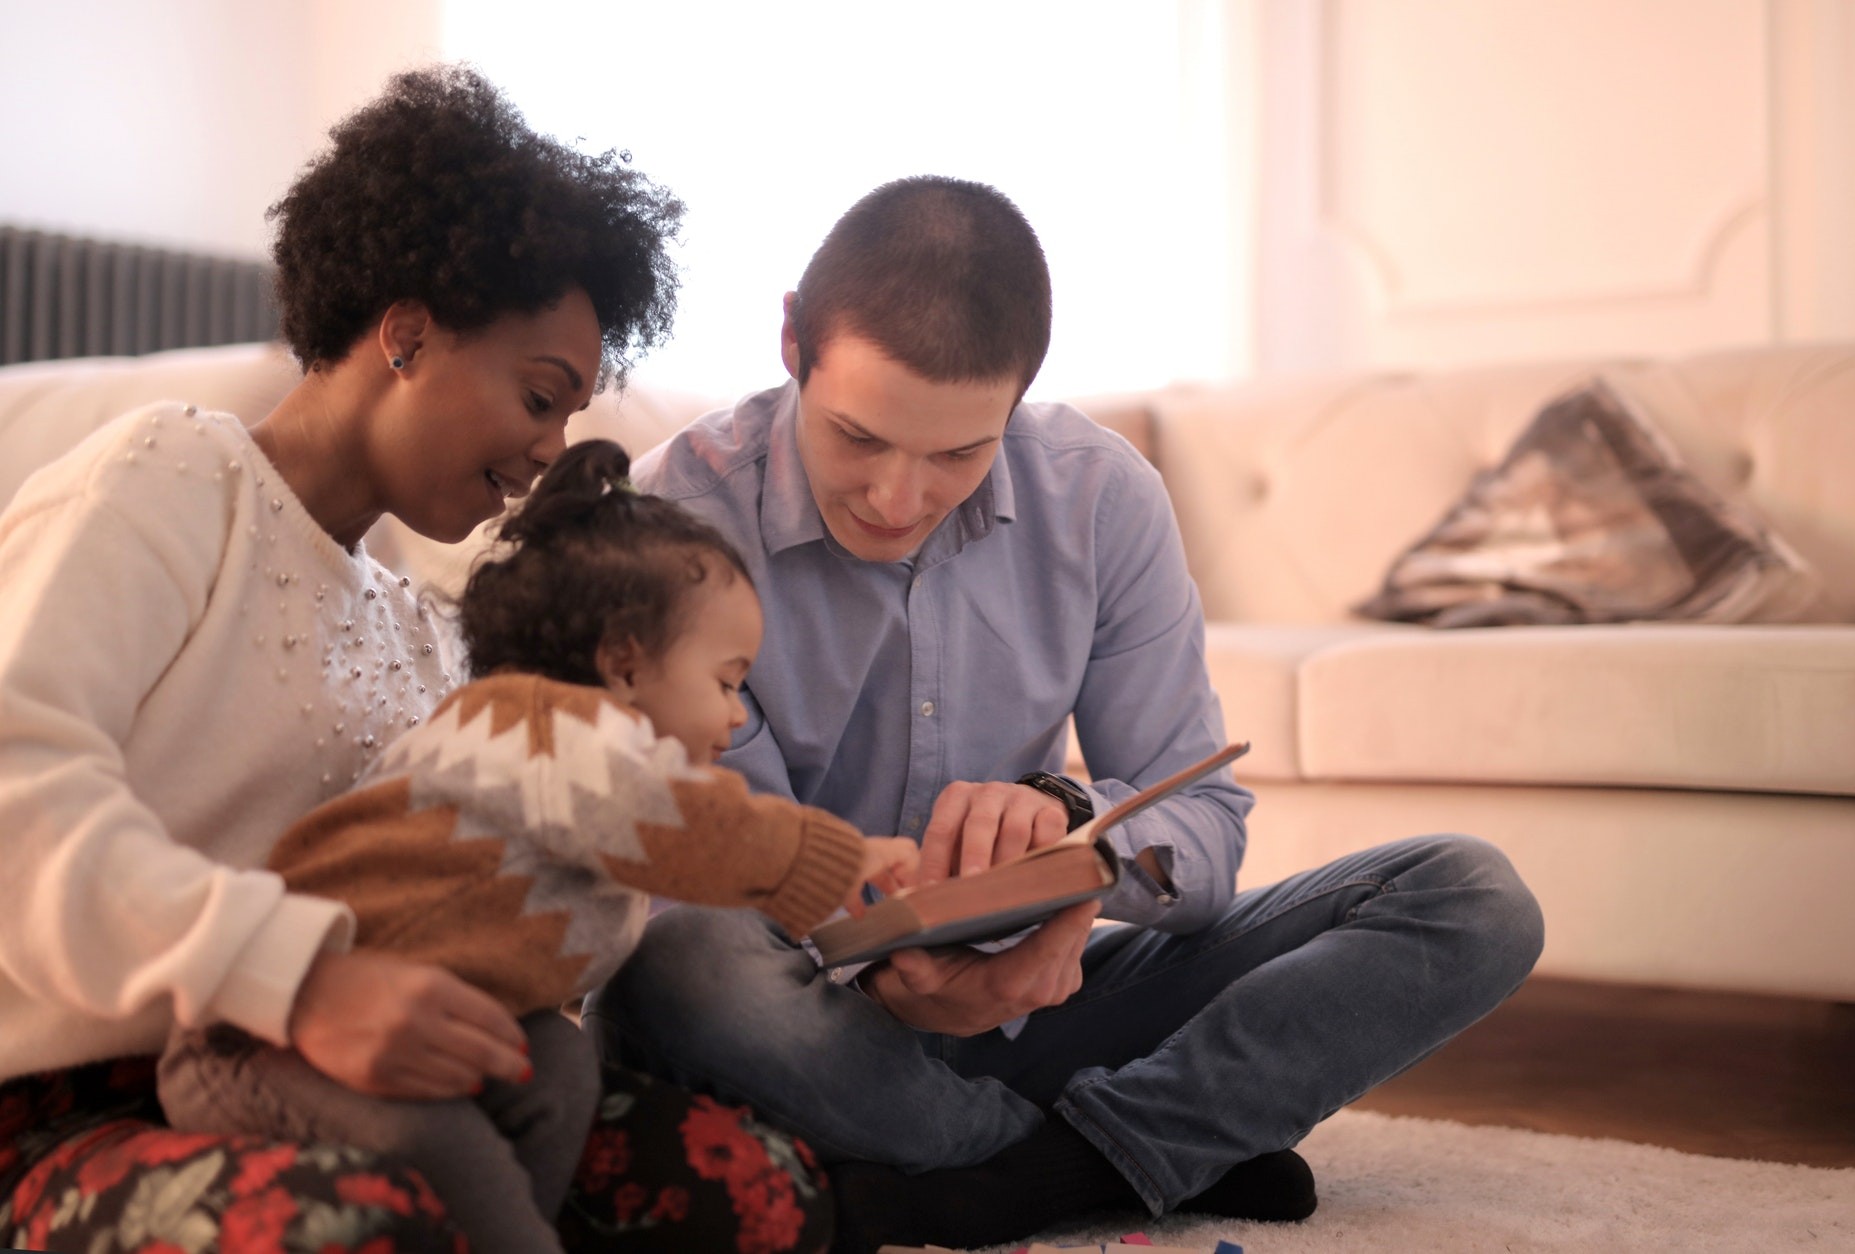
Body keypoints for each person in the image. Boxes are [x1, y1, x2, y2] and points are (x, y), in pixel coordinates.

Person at [582, 175, 1548, 1252]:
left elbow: (1207, 836)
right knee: (678, 967)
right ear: (791, 341)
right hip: (803, 1022)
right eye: (858, 436)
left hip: (1037, 1000)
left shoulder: (1101, 498)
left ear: (1021, 395)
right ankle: (1132, 1150)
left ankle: (1038, 1170)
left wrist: (1077, 848)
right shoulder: (668, 522)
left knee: (1468, 898)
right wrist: (892, 990)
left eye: (957, 452)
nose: (896, 500)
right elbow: (698, 878)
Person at [0, 64, 831, 1254]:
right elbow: (16, 795)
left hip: (351, 1088)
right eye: (539, 397)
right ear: (405, 331)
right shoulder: (173, 479)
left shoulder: (422, 624)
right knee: (375, 1225)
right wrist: (305, 981)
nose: (552, 451)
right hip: (64, 1101)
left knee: (755, 1192)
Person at [155, 437, 921, 1254]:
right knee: (444, 1150)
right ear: (624, 665)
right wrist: (832, 857)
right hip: (253, 1047)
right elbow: (689, 822)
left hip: (418, 1031)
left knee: (554, 1062)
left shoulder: (556, 762)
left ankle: (512, 1225)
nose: (737, 715)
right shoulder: (551, 734)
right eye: (727, 682)